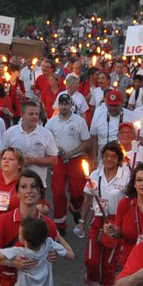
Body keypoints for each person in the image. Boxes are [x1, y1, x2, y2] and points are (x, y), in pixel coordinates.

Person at [82, 142, 133, 286]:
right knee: (91, 260)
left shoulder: (126, 176)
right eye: (106, 156)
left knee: (109, 262)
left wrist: (125, 225)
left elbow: (130, 202)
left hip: (116, 221)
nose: (109, 159)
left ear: (119, 160)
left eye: (113, 156)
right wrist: (81, 220)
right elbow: (88, 198)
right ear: (102, 157)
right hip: (97, 220)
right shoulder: (95, 175)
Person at [45, 92, 92, 237]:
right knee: (58, 192)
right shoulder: (51, 122)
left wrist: (72, 152)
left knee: (78, 192)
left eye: (66, 104)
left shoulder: (79, 121)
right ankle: (60, 224)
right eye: (61, 104)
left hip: (75, 160)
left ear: (71, 104)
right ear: (58, 105)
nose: (64, 107)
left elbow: (87, 142)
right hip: (59, 161)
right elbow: (46, 138)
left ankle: (76, 208)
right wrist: (55, 148)